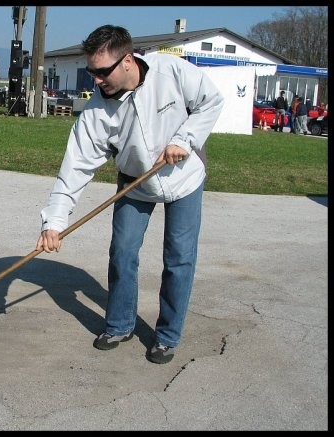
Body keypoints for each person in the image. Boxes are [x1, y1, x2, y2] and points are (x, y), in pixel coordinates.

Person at [35, 25, 224, 365]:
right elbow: (75, 168)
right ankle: (119, 324)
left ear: (127, 61)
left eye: (102, 71)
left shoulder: (172, 71)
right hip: (135, 181)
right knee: (122, 252)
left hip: (185, 178)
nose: (95, 79)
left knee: (179, 257)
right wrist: (55, 221)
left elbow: (211, 100)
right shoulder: (95, 112)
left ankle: (167, 336)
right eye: (91, 72)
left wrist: (185, 138)